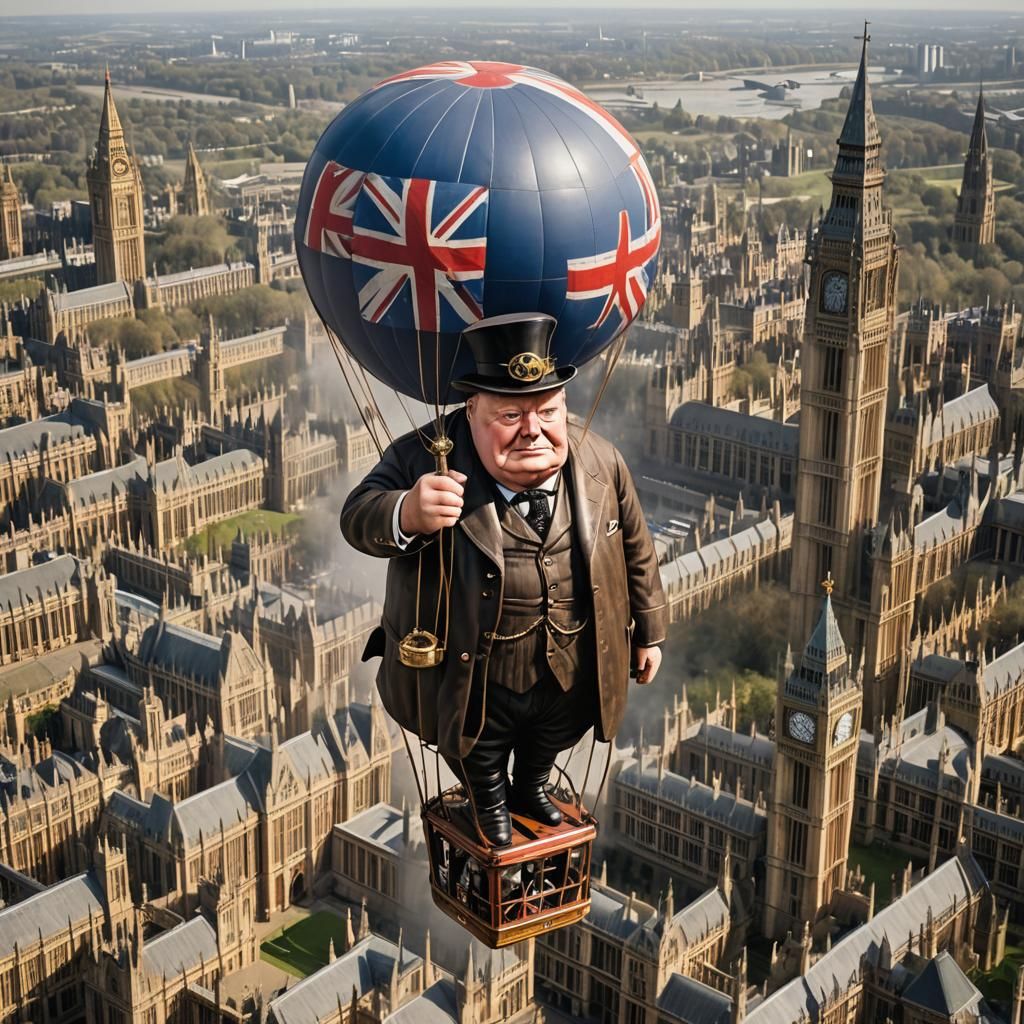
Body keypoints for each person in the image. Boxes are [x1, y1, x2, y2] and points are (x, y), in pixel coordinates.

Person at [341, 312, 666, 847]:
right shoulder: (422, 456)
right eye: (511, 414)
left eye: (548, 410)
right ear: (471, 412)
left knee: (556, 728)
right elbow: (358, 515)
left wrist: (650, 631)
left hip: (571, 664)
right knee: (477, 741)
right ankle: (488, 797)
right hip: (471, 667)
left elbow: (636, 546)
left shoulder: (601, 461)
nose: (533, 429)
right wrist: (405, 513)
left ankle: (532, 784)